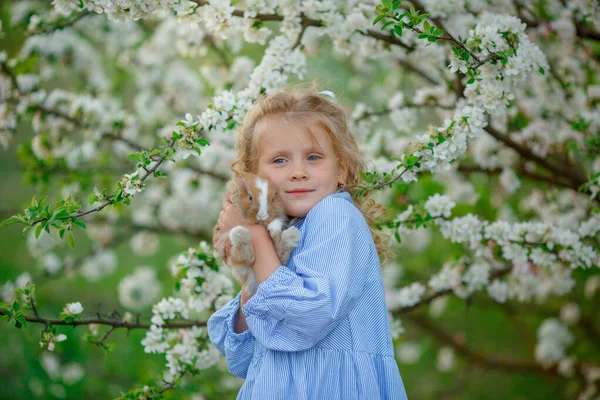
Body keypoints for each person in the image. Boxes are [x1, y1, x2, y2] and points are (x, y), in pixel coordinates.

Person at [207, 85, 408, 400]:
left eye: (313, 157)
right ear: (254, 177)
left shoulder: (334, 214)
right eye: (279, 161)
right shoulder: (286, 234)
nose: (299, 172)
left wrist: (256, 238)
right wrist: (251, 260)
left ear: (341, 169)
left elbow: (310, 316)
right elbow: (242, 357)